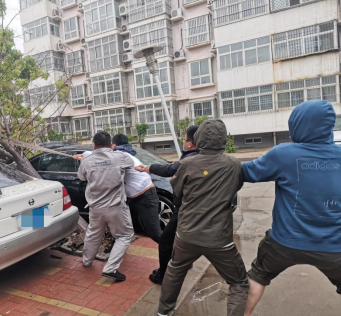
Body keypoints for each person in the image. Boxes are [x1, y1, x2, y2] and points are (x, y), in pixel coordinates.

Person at [242, 100, 341, 316]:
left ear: (297, 124)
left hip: (283, 243)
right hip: (335, 246)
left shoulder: (283, 154)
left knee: (258, 275)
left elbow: (244, 172)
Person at [158, 120, 248, 316]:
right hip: (219, 238)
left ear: (198, 138)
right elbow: (235, 187)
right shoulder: (233, 164)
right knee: (239, 282)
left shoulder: (187, 163)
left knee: (174, 271)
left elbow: (177, 189)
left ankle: (163, 312)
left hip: (187, 234)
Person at [135, 125, 199, 284]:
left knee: (165, 240)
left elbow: (170, 169)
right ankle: (184, 263)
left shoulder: (191, 159)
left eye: (184, 139)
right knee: (183, 239)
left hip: (186, 208)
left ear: (190, 144)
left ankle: (163, 275)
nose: (183, 142)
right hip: (201, 209)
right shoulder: (209, 156)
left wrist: (147, 168)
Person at [75, 134, 162, 243]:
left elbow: (96, 156)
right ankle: (118, 245)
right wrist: (84, 156)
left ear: (113, 145)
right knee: (124, 226)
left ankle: (175, 254)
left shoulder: (121, 155)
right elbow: (98, 157)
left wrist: (84, 157)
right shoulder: (123, 154)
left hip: (145, 197)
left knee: (154, 233)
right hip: (134, 198)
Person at [77, 131, 134, 282]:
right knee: (124, 235)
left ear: (94, 145)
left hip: (95, 207)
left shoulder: (86, 161)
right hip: (116, 207)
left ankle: (87, 261)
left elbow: (81, 177)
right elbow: (131, 163)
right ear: (110, 145)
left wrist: (87, 160)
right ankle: (110, 268)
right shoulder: (120, 157)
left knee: (94, 233)